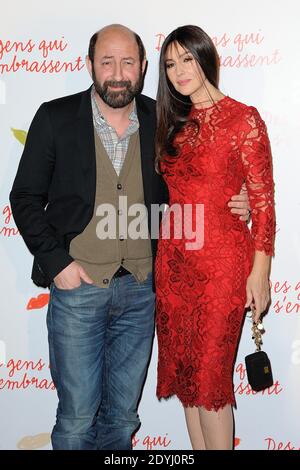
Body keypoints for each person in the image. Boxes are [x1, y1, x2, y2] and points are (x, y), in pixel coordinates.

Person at [10, 24, 250, 450]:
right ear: (89, 66)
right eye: (107, 62)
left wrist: (241, 196)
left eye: (127, 62)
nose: (117, 73)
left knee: (122, 420)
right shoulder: (55, 116)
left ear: (141, 68)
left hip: (142, 293)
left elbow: (201, 177)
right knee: (77, 420)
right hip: (77, 288)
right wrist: (56, 263)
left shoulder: (166, 120)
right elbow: (25, 196)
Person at [155, 25, 275, 450]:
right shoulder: (170, 123)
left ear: (207, 58)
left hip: (222, 266)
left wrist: (260, 274)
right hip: (173, 265)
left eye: (187, 58)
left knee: (210, 382)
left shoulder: (243, 119)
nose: (179, 71)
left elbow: (263, 205)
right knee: (188, 382)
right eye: (170, 63)